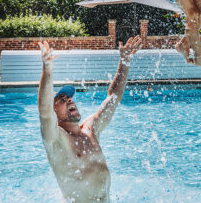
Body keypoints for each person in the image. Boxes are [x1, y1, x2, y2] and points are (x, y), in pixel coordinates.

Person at [37, 36, 142, 203]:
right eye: (62, 100)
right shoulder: (56, 139)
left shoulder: (90, 128)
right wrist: (47, 68)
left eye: (69, 98)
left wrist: (124, 61)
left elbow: (113, 97)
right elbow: (44, 112)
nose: (69, 100)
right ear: (54, 111)